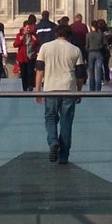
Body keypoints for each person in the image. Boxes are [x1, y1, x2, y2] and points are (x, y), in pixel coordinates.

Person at [35, 24, 85, 165]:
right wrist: (79, 91)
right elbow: (81, 74)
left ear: (56, 34)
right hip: (68, 88)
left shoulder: (45, 47)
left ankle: (53, 141)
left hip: (50, 87)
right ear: (69, 36)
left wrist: (38, 90)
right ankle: (64, 156)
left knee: (50, 117)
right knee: (66, 121)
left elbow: (39, 70)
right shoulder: (75, 50)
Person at [13, 18, 38, 92]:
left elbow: (37, 44)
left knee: (30, 71)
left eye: (29, 28)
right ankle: (25, 87)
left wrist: (35, 40)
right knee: (23, 73)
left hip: (31, 56)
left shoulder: (33, 35)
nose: (28, 29)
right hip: (22, 57)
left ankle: (30, 85)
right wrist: (20, 39)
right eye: (27, 28)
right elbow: (15, 44)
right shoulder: (19, 35)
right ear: (24, 27)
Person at [85, 20, 107, 92]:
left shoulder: (88, 35)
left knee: (91, 72)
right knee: (99, 71)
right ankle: (98, 89)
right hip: (99, 53)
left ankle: (92, 88)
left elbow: (87, 45)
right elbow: (105, 43)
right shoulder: (101, 34)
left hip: (91, 53)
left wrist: (88, 50)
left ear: (91, 27)